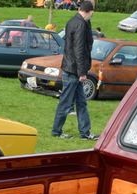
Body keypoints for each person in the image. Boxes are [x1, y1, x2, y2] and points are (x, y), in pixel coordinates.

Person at [51, 1, 98, 140]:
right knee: (66, 102)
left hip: (71, 68)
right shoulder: (80, 24)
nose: (92, 15)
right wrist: (82, 72)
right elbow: (79, 49)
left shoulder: (73, 21)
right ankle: (56, 131)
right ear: (89, 11)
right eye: (92, 13)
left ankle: (85, 133)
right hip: (73, 71)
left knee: (81, 102)